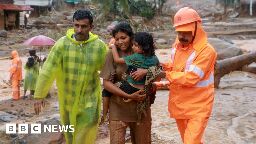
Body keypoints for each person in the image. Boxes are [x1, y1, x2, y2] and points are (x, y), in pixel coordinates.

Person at [33, 10, 108, 144]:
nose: (79, 30)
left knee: (84, 135)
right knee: (70, 136)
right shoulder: (62, 44)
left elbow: (109, 70)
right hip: (67, 100)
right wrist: (39, 95)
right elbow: (48, 69)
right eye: (76, 25)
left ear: (91, 27)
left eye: (84, 26)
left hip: (89, 100)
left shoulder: (99, 46)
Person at [155, 7, 217, 144]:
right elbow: (175, 66)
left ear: (196, 28)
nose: (182, 36)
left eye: (186, 33)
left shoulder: (207, 51)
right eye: (179, 33)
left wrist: (165, 74)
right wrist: (161, 66)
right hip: (180, 104)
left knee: (191, 142)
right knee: (188, 141)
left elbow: (191, 77)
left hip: (199, 107)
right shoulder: (177, 45)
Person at [100, 22, 158, 144]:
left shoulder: (142, 52)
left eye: (123, 38)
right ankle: (104, 115)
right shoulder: (111, 54)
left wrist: (146, 71)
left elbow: (161, 74)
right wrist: (128, 96)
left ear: (131, 37)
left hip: (141, 109)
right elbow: (106, 83)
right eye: (117, 39)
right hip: (118, 107)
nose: (120, 42)